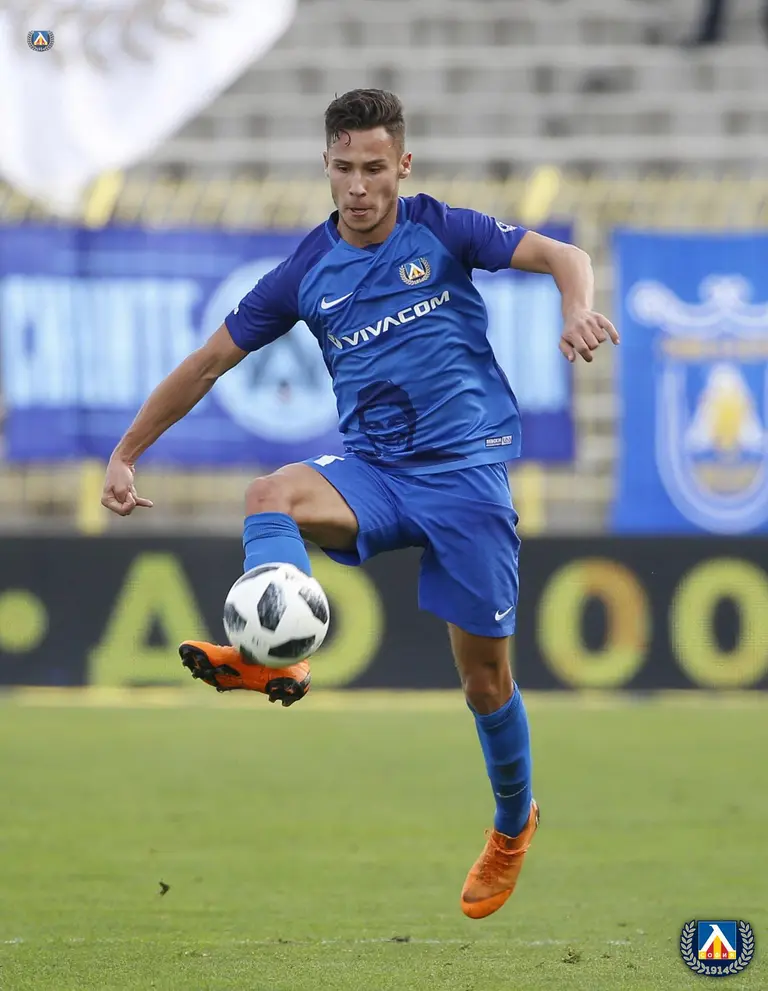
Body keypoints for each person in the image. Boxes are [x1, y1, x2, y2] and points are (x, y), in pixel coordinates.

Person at [101, 89, 618, 920]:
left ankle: (513, 824)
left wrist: (578, 308)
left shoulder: (443, 229)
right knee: (269, 495)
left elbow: (564, 254)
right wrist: (127, 452)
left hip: (467, 480)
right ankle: (275, 656)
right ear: (326, 165)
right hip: (376, 473)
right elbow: (207, 363)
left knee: (486, 683)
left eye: (375, 168)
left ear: (402, 165)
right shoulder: (308, 269)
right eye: (343, 168)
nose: (358, 186)